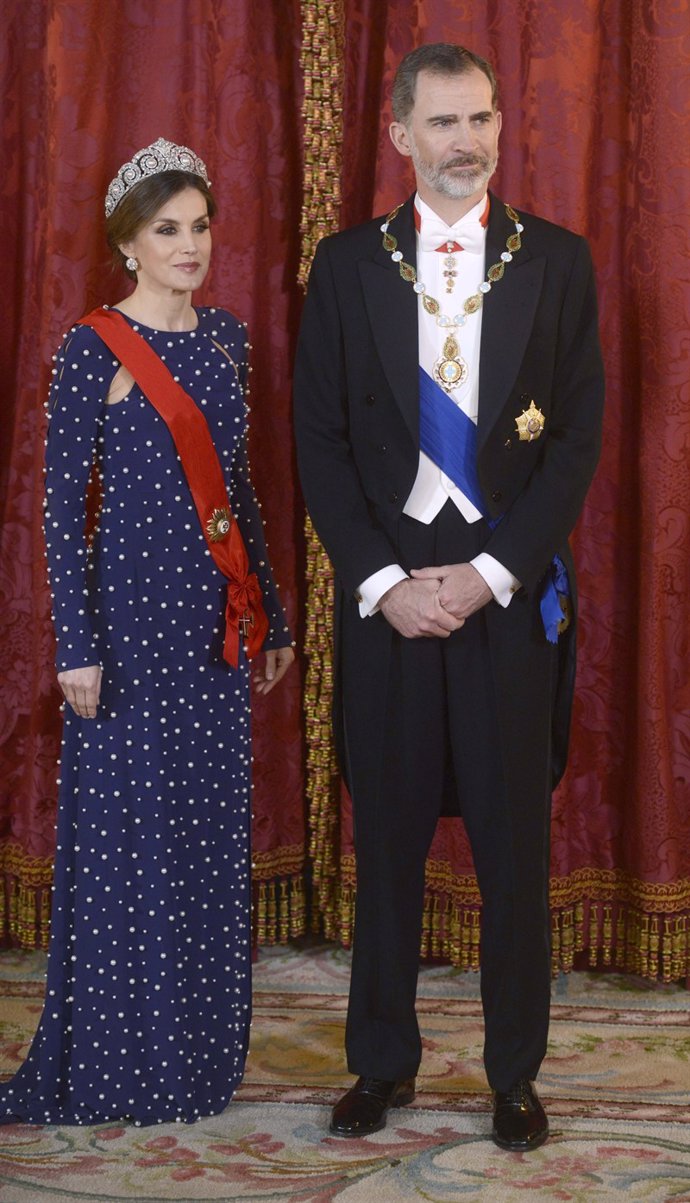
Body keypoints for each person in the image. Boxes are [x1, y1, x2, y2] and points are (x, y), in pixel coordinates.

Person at [293, 44, 604, 1151]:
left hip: (503, 601)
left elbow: (575, 444)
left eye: (480, 120)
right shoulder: (344, 267)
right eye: (442, 123)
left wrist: (484, 576)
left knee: (513, 852)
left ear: (500, 126)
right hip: (390, 608)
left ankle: (514, 1077)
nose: (464, 142)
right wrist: (384, 586)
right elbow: (319, 444)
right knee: (386, 848)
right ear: (398, 134)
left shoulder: (558, 263)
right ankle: (381, 1066)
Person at [0, 138, 294, 1126]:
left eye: (201, 226)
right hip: (125, 634)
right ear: (128, 243)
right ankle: (125, 1063)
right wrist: (72, 645)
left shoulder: (228, 343)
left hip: (212, 631)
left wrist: (274, 617)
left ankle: (199, 1058)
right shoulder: (93, 348)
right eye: (168, 230)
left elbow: (241, 493)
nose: (190, 245)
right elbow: (57, 507)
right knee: (133, 844)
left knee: (205, 844)